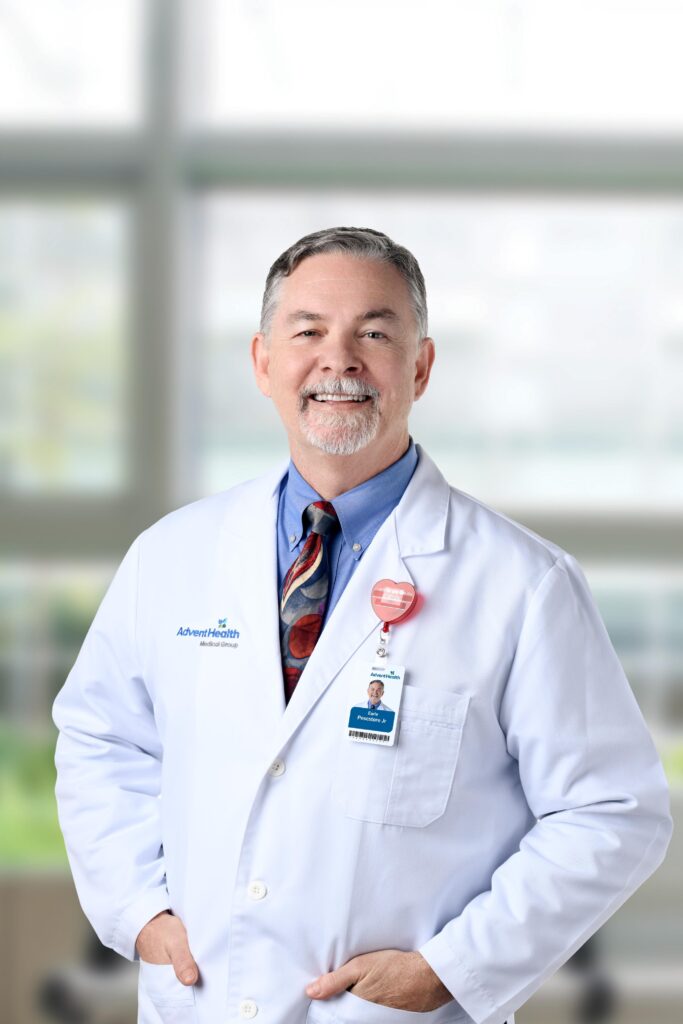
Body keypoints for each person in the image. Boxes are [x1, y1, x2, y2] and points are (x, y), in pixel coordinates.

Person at [52, 227, 673, 1024]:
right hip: (201, 998)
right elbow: (101, 738)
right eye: (307, 331)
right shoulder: (172, 555)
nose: (338, 360)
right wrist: (137, 909)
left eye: (373, 334)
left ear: (420, 366)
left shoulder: (522, 585)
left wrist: (453, 967)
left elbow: (612, 811)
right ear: (262, 362)